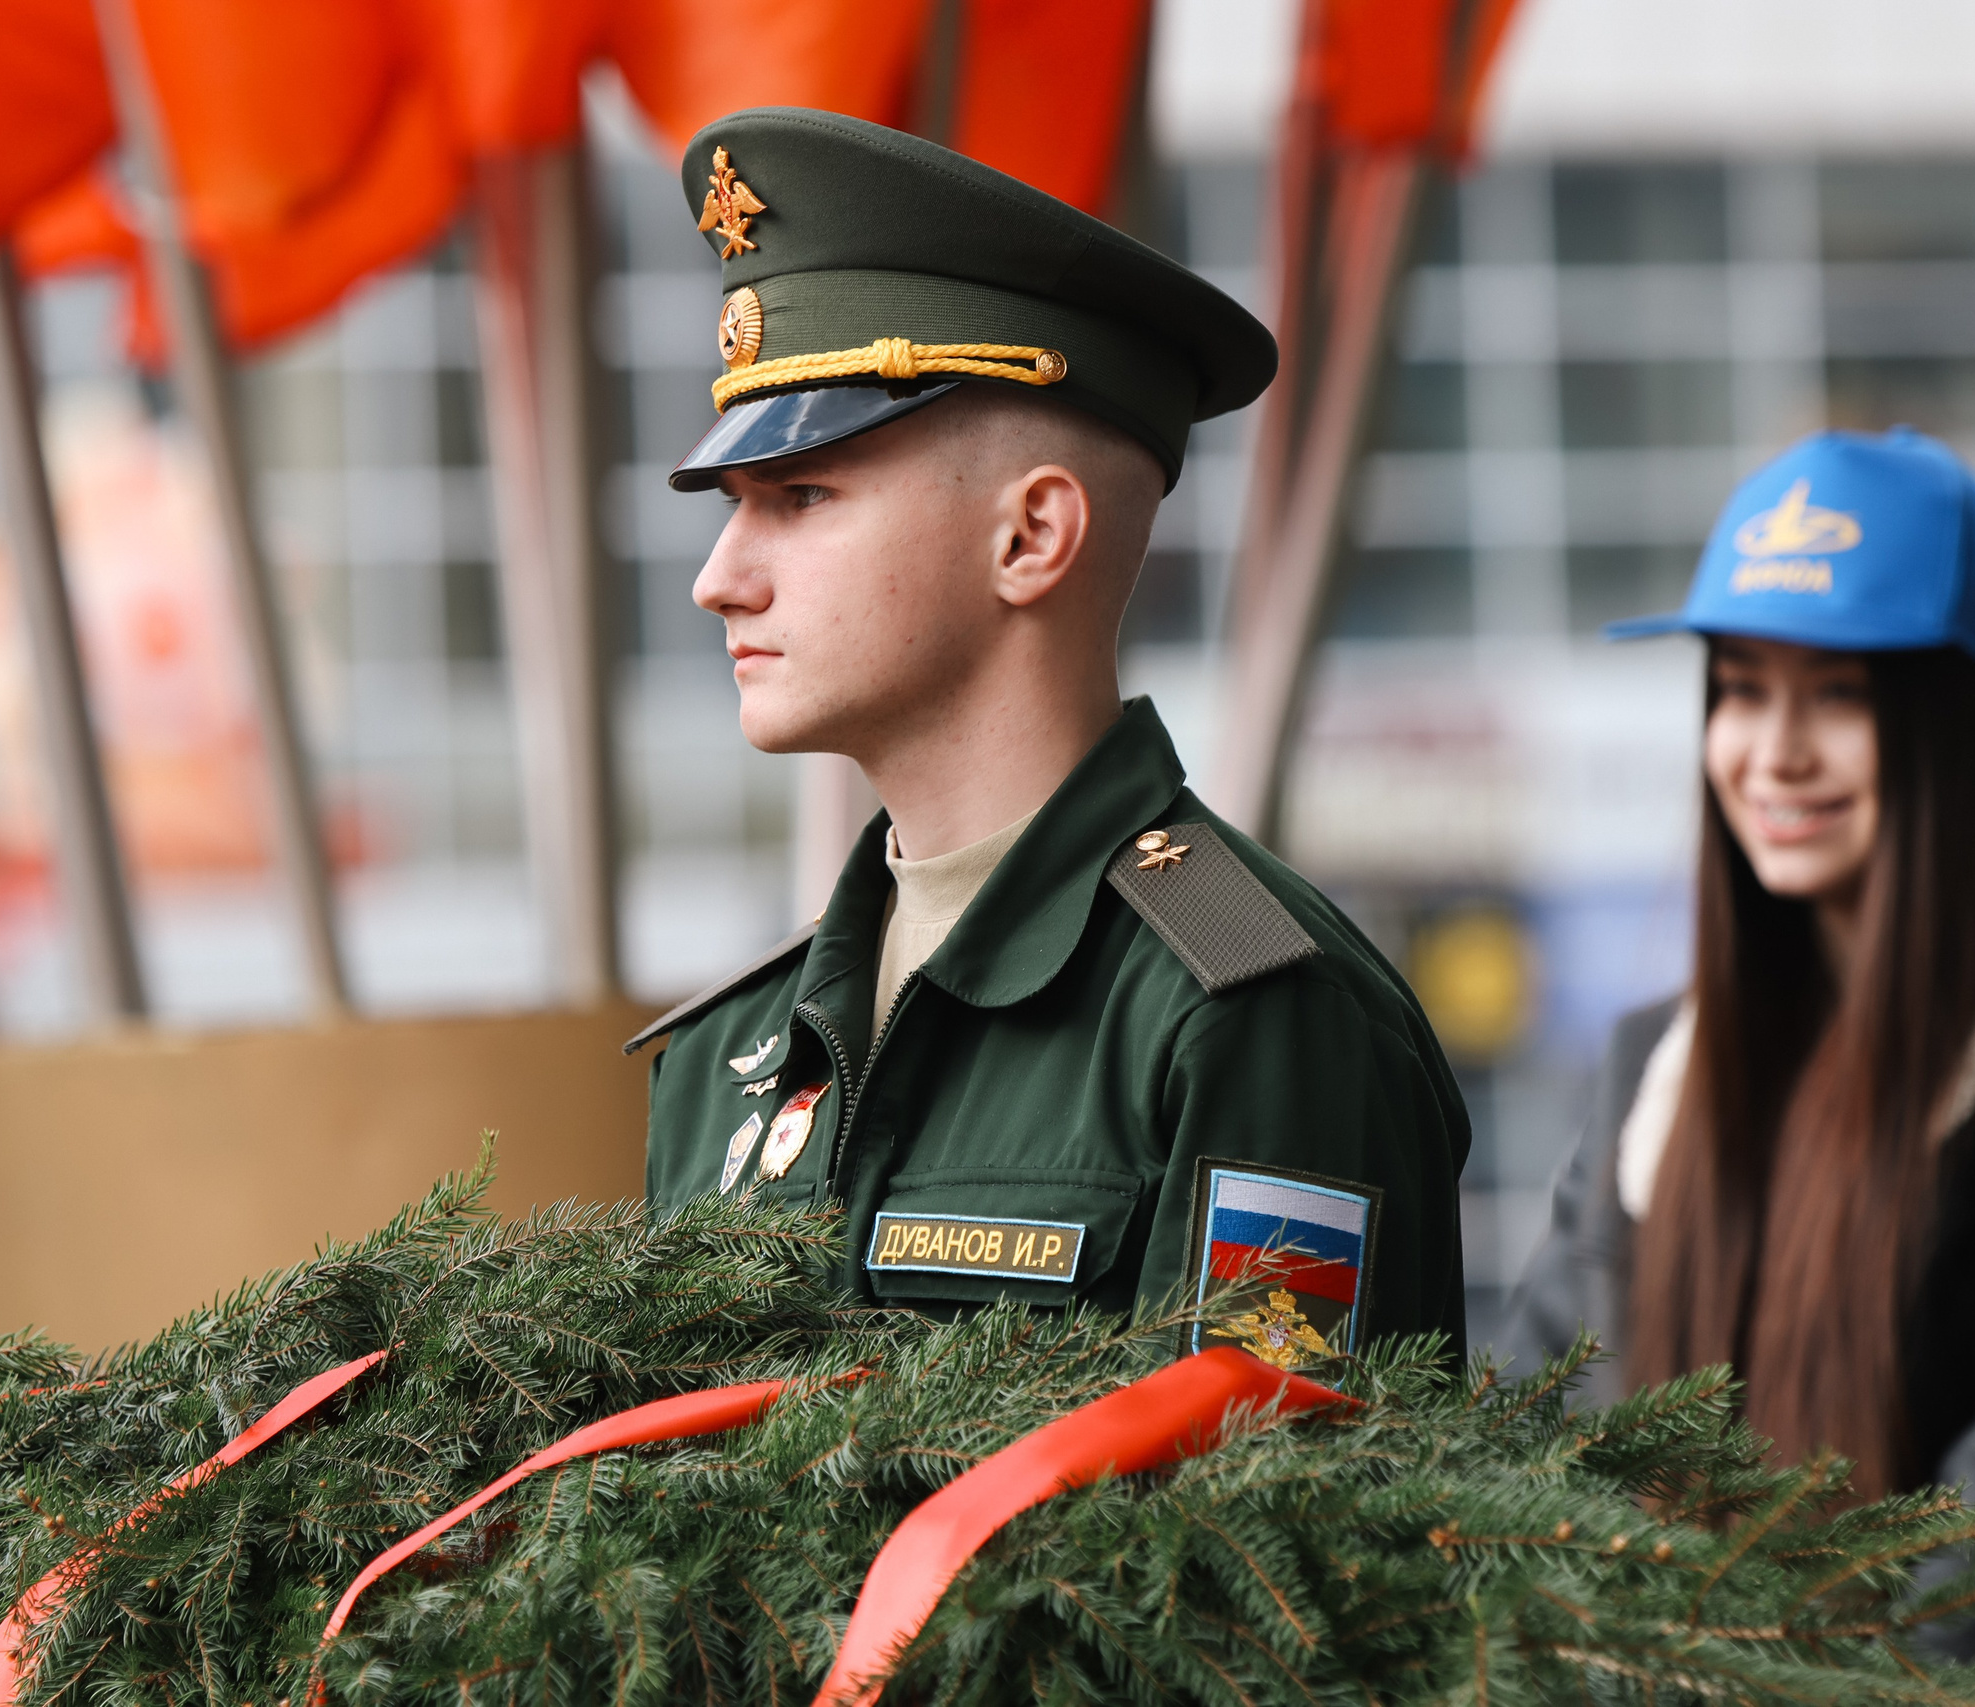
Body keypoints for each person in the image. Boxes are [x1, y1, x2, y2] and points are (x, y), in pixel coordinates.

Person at [625, 108, 1470, 1360]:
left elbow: (1260, 1540)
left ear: (1031, 537)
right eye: (734, 506)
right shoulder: (728, 1054)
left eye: (801, 496)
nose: (719, 577)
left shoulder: (1246, 1011)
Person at [1505, 428, 1975, 1663]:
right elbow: (1522, 1465)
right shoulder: (1649, 1077)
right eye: (1741, 688)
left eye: (1839, 695)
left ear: (1969, 729)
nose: (1773, 753)